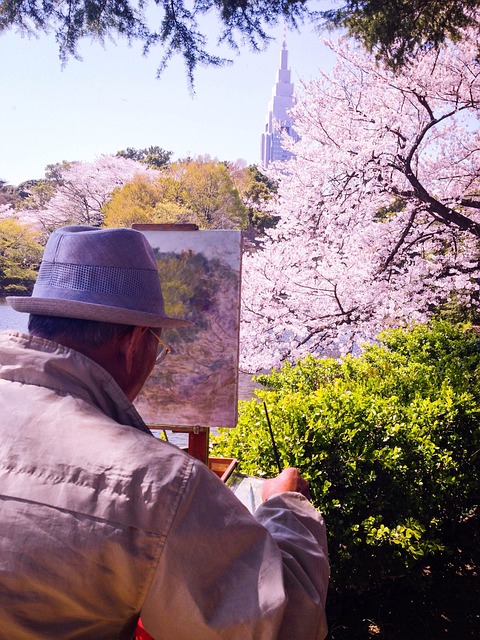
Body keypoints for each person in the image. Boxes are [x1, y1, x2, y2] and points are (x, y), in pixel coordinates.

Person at [0, 225, 329, 639]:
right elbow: (279, 627)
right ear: (135, 343)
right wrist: (288, 508)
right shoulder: (158, 485)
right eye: (159, 344)